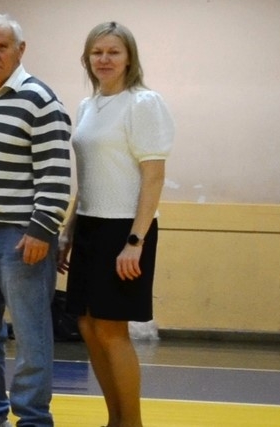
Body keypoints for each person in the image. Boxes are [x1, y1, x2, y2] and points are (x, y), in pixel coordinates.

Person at [0, 14, 74, 427]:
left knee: (30, 332)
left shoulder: (40, 99)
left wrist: (42, 229)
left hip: (21, 237)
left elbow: (56, 172)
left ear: (20, 50)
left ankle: (33, 417)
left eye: (0, 47)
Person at [67, 22, 173, 427]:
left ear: (129, 58)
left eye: (113, 52)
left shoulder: (143, 103)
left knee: (112, 330)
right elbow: (89, 177)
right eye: (97, 52)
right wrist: (69, 230)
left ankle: (132, 423)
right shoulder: (87, 106)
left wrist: (135, 240)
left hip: (125, 229)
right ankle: (115, 419)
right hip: (89, 225)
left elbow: (153, 177)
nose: (104, 59)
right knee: (87, 325)